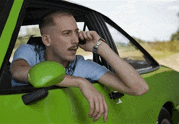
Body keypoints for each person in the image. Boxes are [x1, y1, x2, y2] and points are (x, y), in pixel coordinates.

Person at [10, 11, 149, 122]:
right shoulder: (29, 51)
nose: (75, 40)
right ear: (46, 39)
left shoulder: (82, 65)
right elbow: (18, 71)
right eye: (66, 33)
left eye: (76, 32)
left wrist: (100, 46)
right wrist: (79, 82)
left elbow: (139, 88)